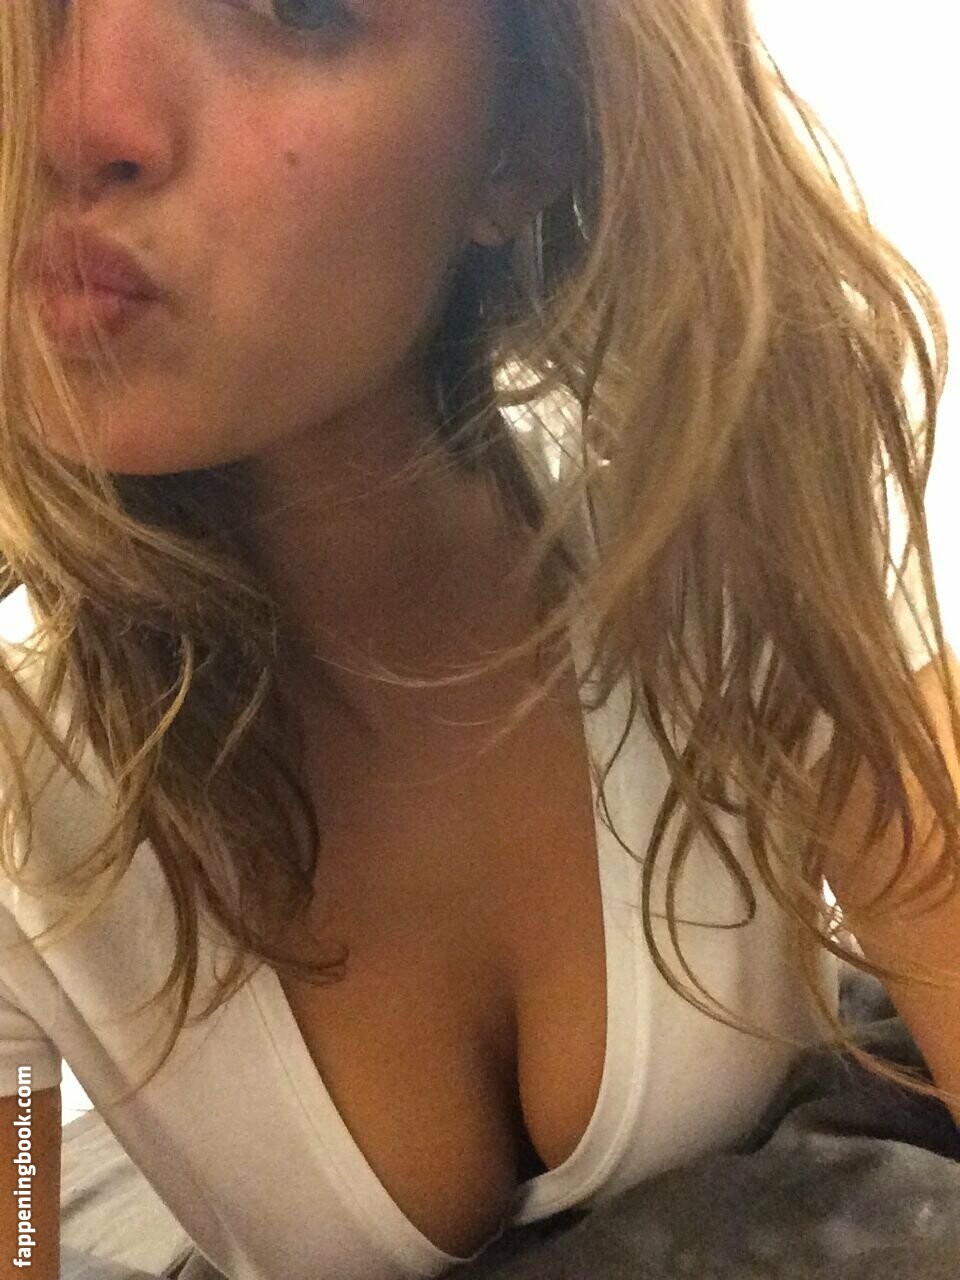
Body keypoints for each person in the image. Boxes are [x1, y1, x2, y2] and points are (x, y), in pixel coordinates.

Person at [1, 2, 958, 1278]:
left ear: (523, 142)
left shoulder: (727, 528)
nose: (70, 118)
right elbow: (21, 1219)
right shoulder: (22, 803)